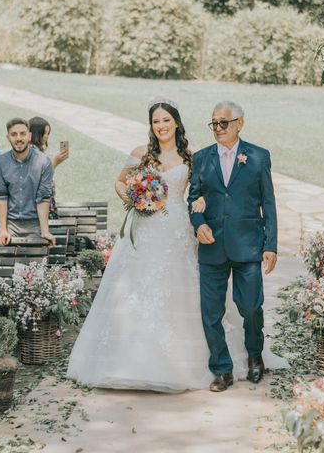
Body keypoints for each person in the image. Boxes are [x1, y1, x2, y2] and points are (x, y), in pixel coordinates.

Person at [65, 98, 287, 393]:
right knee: (186, 303)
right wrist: (136, 198)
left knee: (236, 303)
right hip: (148, 230)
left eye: (166, 121)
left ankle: (252, 353)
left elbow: (203, 194)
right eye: (156, 122)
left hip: (181, 232)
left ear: (176, 123)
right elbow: (122, 183)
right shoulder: (142, 154)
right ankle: (212, 368)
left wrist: (205, 212)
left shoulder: (194, 157)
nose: (161, 126)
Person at [189, 101, 279, 392]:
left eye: (223, 123)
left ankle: (255, 354)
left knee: (251, 306)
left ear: (240, 123)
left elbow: (268, 203)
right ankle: (222, 369)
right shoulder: (201, 159)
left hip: (248, 245)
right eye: (213, 123)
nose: (217, 128)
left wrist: (271, 244)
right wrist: (199, 223)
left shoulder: (257, 156)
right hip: (212, 246)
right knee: (210, 312)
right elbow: (194, 200)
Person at [0, 118, 55, 245]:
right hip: (11, 224)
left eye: (22, 133)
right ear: (8, 137)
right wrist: (3, 229)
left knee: (36, 261)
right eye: (13, 134)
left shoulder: (44, 162)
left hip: (35, 223)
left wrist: (45, 231)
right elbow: (1, 197)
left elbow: (43, 198)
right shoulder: (0, 162)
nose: (18, 138)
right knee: (9, 262)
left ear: (29, 136)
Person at [29, 117, 68, 219]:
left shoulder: (38, 151)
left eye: (48, 133)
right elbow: (37, 177)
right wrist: (55, 162)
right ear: (36, 133)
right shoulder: (31, 151)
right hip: (38, 209)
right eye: (44, 133)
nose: (46, 137)